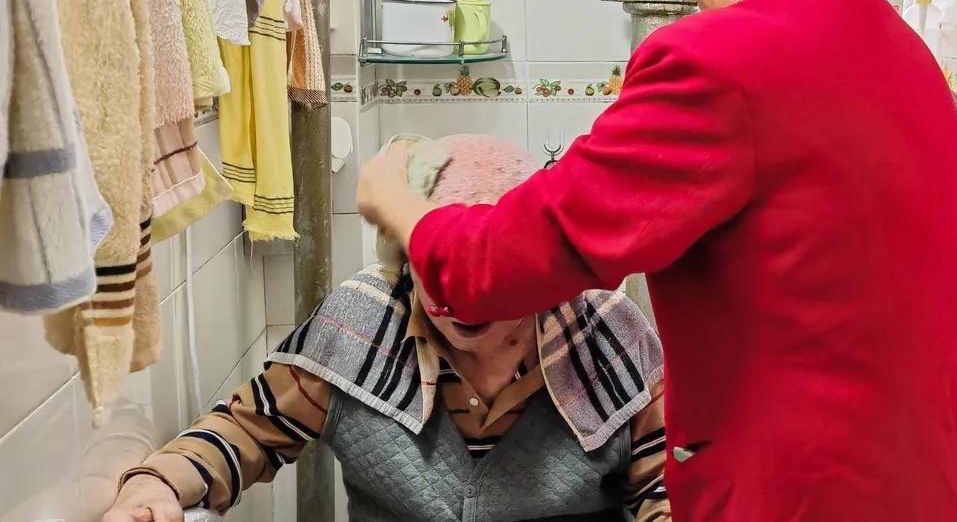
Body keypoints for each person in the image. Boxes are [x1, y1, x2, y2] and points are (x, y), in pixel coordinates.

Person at [357, 0, 957, 521]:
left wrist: (398, 202)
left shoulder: (718, 59)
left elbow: (499, 266)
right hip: (944, 484)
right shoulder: (903, 48)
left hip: (812, 494)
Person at [103, 134, 669, 522]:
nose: (457, 297)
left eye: (486, 272)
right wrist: (156, 484)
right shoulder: (362, 322)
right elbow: (246, 431)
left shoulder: (606, 332)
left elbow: (665, 484)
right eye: (439, 266)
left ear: (539, 268)